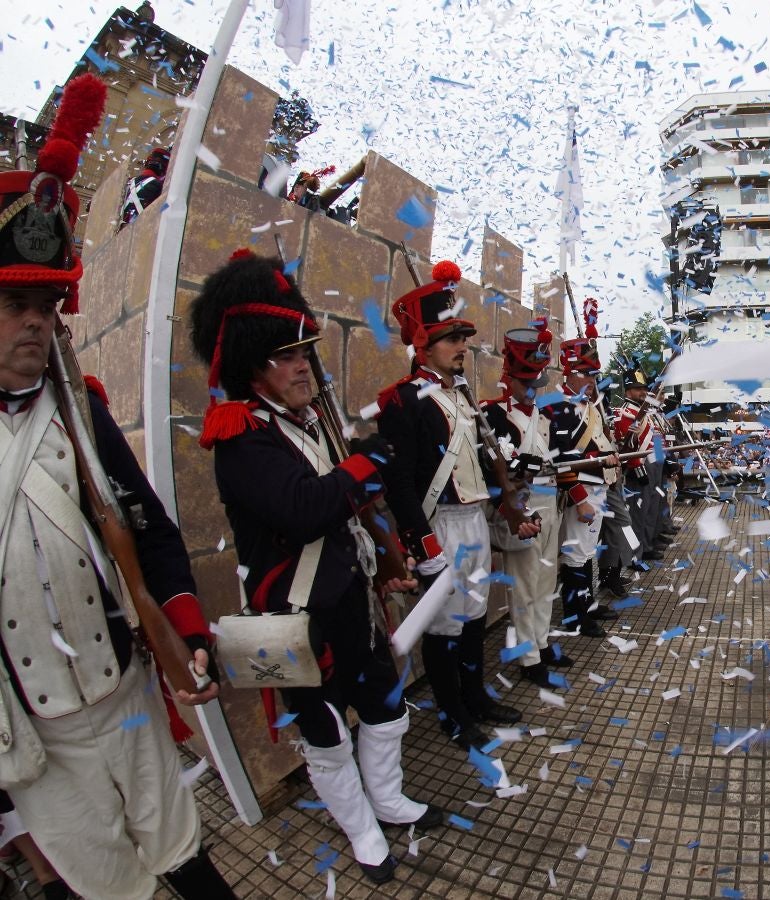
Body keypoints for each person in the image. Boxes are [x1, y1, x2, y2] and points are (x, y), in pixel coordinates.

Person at [0, 74, 235, 899]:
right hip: (26, 731)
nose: (36, 321)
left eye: (46, 303)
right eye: (11, 303)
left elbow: (153, 531)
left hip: (124, 692)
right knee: (105, 887)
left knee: (182, 850)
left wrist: (182, 630)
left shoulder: (82, 413)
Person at [189, 249, 441, 884]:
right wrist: (369, 463)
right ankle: (360, 830)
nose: (304, 366)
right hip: (295, 614)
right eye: (289, 356)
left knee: (383, 701)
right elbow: (304, 510)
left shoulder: (307, 423)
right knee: (324, 730)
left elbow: (348, 504)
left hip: (349, 600)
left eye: (305, 353)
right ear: (254, 365)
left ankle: (387, 799)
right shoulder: (240, 434)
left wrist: (384, 554)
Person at [376, 261, 528, 751]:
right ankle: (453, 714)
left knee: (475, 617)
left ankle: (474, 697)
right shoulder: (404, 401)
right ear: (423, 344)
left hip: (474, 522)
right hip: (439, 526)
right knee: (444, 628)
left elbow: (480, 468)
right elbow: (397, 482)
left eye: (462, 337)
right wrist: (423, 544)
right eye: (451, 339)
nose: (463, 347)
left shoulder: (463, 398)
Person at [481, 323, 567, 686]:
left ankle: (542, 643)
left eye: (535, 383)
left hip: (551, 500)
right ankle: (528, 658)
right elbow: (493, 466)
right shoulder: (493, 413)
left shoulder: (546, 416)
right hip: (523, 504)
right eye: (524, 383)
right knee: (525, 586)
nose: (531, 390)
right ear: (509, 378)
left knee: (547, 581)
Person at [551, 337, 623, 638]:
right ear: (568, 372)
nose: (591, 381)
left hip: (597, 485)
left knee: (586, 552)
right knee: (575, 556)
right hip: (579, 489)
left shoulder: (590, 406)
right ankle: (575, 617)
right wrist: (579, 498)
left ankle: (587, 605)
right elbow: (562, 458)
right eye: (584, 373)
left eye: (593, 375)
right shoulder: (560, 406)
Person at [614, 367, 663, 562]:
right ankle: (634, 556)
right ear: (628, 391)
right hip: (640, 465)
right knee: (637, 512)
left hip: (654, 463)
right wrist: (636, 465)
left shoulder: (645, 412)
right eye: (637, 388)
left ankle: (646, 546)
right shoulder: (626, 413)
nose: (642, 392)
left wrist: (663, 461)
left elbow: (655, 438)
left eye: (643, 388)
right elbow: (626, 443)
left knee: (650, 509)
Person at [119, 146, 170, 228]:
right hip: (139, 232)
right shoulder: (157, 185)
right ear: (164, 170)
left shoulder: (127, 184)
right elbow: (162, 213)